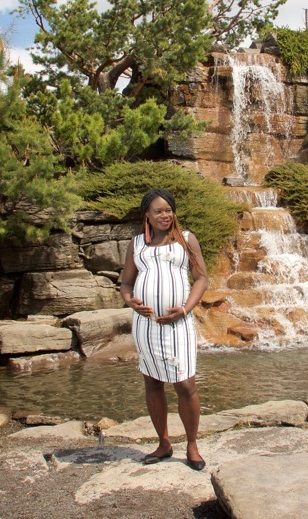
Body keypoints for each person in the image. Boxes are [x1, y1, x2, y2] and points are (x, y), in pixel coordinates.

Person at [120, 188, 210, 471]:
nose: (164, 215)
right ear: (146, 214)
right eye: (158, 211)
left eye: (168, 210)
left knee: (185, 384)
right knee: (152, 382)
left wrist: (184, 309)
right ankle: (163, 442)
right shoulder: (137, 244)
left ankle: (192, 444)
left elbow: (201, 279)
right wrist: (131, 302)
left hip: (178, 323)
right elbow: (126, 284)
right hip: (146, 326)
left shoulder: (186, 239)